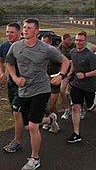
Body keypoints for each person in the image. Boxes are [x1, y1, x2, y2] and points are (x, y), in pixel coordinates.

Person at [5, 18, 69, 170]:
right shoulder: (16, 46)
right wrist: (15, 78)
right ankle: (50, 120)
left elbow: (65, 61)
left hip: (41, 89)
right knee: (28, 126)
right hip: (23, 91)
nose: (25, 30)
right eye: (24, 27)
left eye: (29, 28)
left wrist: (60, 75)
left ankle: (35, 158)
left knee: (33, 126)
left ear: (37, 31)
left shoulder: (46, 49)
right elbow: (9, 63)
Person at [67, 31, 96, 144]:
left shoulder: (90, 55)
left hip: (90, 86)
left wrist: (85, 75)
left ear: (85, 42)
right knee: (75, 107)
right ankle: (76, 133)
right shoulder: (73, 52)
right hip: (77, 85)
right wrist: (71, 73)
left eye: (81, 40)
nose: (78, 42)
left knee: (91, 107)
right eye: (77, 40)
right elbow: (74, 63)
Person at [0, 22, 23, 153]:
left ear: (19, 33)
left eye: (12, 32)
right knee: (23, 116)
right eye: (7, 32)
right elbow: (1, 60)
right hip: (11, 84)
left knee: (17, 112)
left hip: (25, 84)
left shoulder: (25, 46)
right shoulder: (3, 46)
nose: (9, 34)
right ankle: (50, 119)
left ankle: (17, 142)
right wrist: (2, 72)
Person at [41, 35, 61, 132]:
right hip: (43, 82)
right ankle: (48, 121)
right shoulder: (38, 53)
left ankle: (55, 122)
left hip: (54, 81)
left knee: (52, 105)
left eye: (45, 42)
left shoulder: (54, 53)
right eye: (42, 42)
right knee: (43, 104)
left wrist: (59, 76)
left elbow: (65, 64)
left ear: (50, 42)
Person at [58, 33, 75, 120]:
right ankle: (67, 108)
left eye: (65, 41)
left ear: (69, 39)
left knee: (74, 92)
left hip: (75, 70)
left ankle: (79, 109)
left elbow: (74, 60)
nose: (64, 43)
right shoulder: (61, 46)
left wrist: (71, 71)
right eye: (62, 41)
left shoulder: (75, 45)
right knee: (62, 90)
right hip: (65, 70)